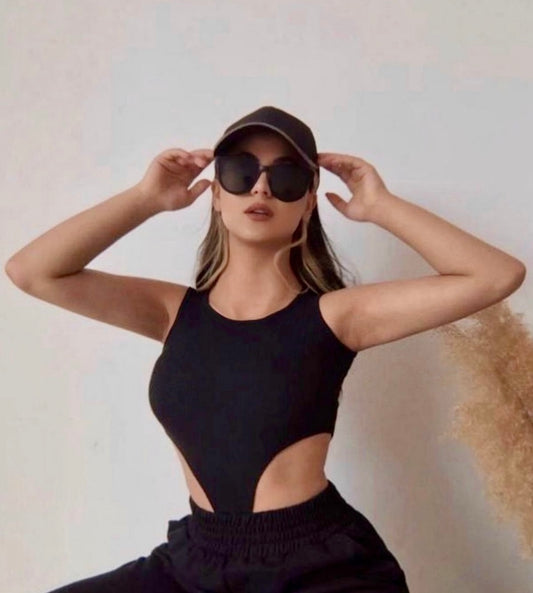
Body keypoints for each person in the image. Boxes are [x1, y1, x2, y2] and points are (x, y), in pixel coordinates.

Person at [5, 105, 525, 592]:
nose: (260, 186)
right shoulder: (171, 312)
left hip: (316, 568)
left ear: (308, 201)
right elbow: (33, 272)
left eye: (286, 177)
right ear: (215, 193)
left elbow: (496, 276)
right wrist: (146, 198)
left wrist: (381, 207)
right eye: (240, 170)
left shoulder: (336, 317)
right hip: (195, 563)